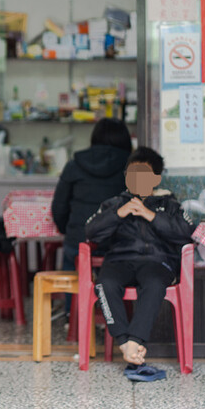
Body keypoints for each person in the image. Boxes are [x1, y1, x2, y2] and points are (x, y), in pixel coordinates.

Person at [85, 147, 195, 366]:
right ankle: (126, 342)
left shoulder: (171, 205)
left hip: (157, 261)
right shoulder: (114, 203)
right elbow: (90, 231)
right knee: (105, 283)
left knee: (154, 283)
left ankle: (133, 340)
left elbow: (187, 233)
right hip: (119, 260)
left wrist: (150, 215)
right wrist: (119, 213)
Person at [51, 118, 133, 287]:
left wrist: (72, 232)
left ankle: (72, 311)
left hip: (80, 242)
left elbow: (59, 208)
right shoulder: (133, 168)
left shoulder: (74, 166)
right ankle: (121, 308)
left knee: (72, 260)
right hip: (120, 245)